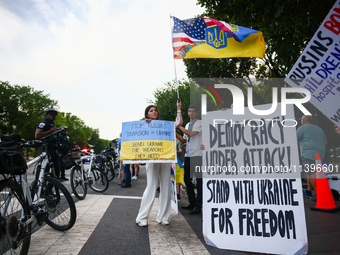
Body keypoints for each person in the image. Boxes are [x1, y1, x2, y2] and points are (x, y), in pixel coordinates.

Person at [135, 105, 172, 226]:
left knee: (166, 186)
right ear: (147, 114)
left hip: (165, 158)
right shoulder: (143, 126)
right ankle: (142, 217)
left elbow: (177, 124)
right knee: (151, 186)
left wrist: (178, 108)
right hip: (151, 158)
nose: (154, 112)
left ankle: (163, 216)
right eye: (151, 111)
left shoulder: (164, 125)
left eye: (156, 110)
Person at [176, 104, 202, 215]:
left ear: (196, 113)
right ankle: (192, 202)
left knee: (199, 181)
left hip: (199, 155)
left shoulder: (200, 123)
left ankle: (198, 205)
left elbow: (191, 134)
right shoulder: (187, 124)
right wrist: (175, 132)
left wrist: (179, 126)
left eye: (193, 111)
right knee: (187, 179)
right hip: (188, 155)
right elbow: (184, 140)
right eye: (189, 111)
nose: (191, 113)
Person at [297, 115, 327, 201]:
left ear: (302, 120)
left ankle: (319, 195)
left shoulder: (302, 128)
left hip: (308, 154)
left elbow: (293, 139)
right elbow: (325, 142)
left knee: (312, 173)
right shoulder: (319, 129)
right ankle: (308, 190)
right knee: (309, 172)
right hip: (320, 154)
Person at [35, 107, 61, 179]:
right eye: (51, 114)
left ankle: (50, 187)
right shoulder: (43, 123)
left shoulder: (53, 124)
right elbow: (37, 135)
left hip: (54, 149)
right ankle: (41, 187)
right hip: (47, 149)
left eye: (54, 114)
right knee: (45, 170)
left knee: (57, 171)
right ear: (47, 114)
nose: (53, 116)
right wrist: (50, 131)